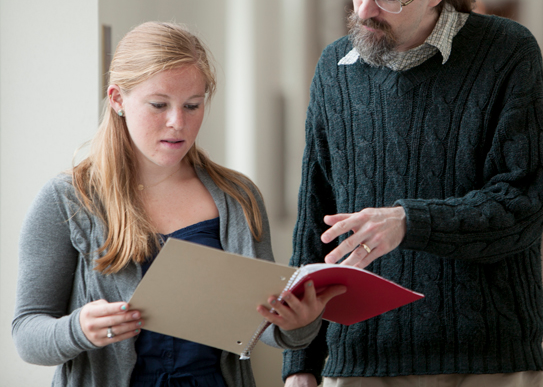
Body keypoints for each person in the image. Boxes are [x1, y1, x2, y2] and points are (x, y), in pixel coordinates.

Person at [283, 0, 543, 387]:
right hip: (359, 361)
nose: (362, 7)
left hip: (487, 361)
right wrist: (301, 365)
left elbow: (524, 206)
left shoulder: (508, 54)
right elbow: (316, 215)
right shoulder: (334, 71)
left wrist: (409, 221)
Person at [12, 21, 345, 387]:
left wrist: (297, 324)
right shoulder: (67, 199)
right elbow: (27, 334)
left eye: (192, 105)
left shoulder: (238, 196)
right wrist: (79, 329)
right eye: (158, 104)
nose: (178, 123)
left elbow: (260, 327)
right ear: (117, 99)